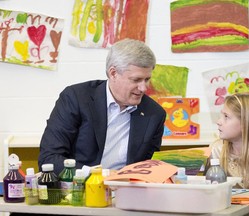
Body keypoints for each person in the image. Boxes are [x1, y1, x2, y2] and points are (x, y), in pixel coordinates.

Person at [38, 38, 166, 175]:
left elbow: (148, 167)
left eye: (147, 79)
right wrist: (98, 175)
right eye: (136, 80)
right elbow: (49, 159)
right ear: (113, 73)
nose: (143, 88)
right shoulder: (76, 98)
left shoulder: (154, 114)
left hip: (126, 191)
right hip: (79, 188)